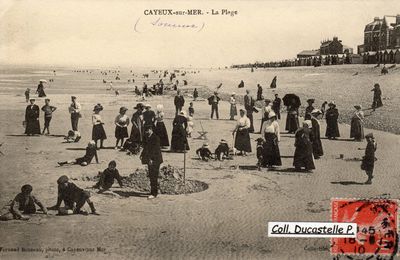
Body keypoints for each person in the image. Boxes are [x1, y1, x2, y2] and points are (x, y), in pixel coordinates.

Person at [140, 126, 163, 199]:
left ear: (151, 130)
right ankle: (152, 191)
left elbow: (155, 150)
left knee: (154, 176)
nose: (146, 132)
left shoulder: (155, 138)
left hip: (155, 160)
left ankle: (154, 193)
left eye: (147, 131)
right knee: (151, 175)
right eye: (145, 131)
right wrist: (142, 155)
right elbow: (146, 148)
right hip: (150, 160)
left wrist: (151, 159)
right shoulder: (148, 137)